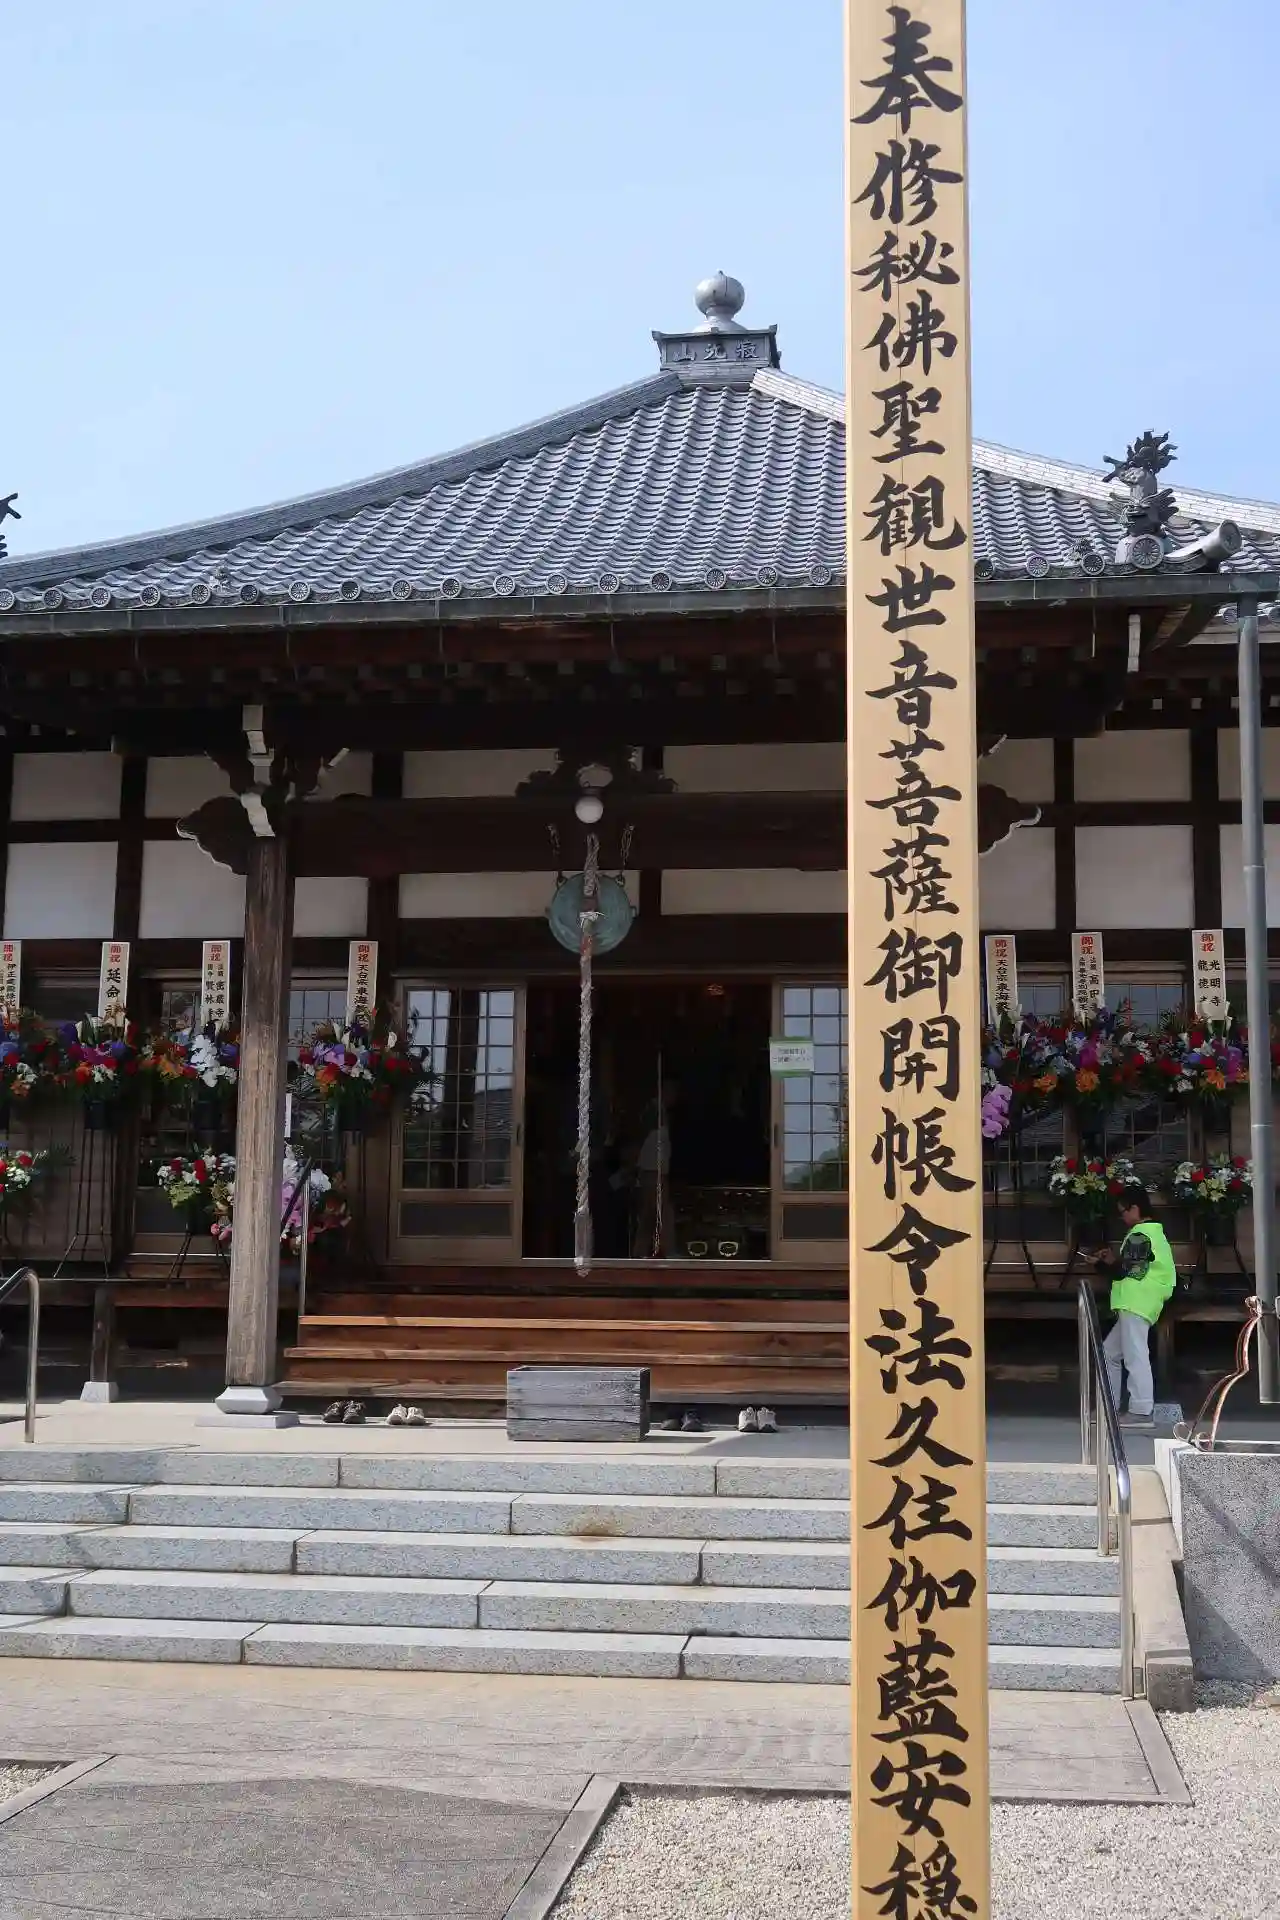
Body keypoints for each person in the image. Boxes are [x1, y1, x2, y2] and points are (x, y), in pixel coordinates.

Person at [1092, 1188, 1177, 1427]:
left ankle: (1141, 1410)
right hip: (1139, 1301)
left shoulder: (1141, 1234)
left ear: (1135, 1209)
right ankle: (1109, 1408)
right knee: (1110, 1353)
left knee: (1134, 1354)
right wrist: (1108, 1262)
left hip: (1136, 1301)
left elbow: (1129, 1271)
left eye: (1123, 1212)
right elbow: (1132, 1267)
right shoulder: (1153, 1233)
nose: (1122, 1217)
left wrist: (1103, 1264)